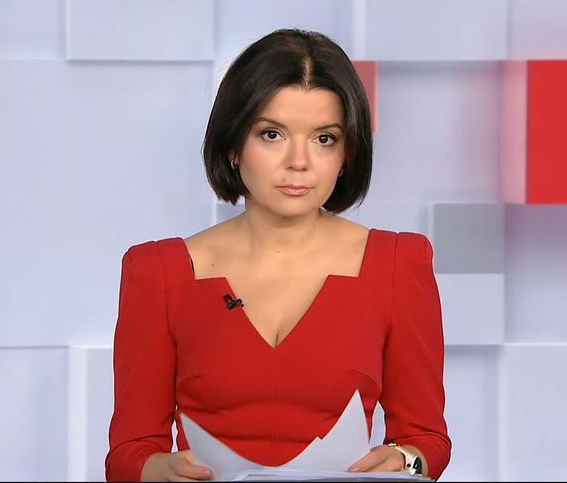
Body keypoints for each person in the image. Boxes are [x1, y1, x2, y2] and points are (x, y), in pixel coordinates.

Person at [105, 28, 450, 482]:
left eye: (324, 138)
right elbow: (128, 453)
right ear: (233, 144)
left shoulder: (398, 265)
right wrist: (158, 469)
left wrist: (405, 460)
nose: (299, 162)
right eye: (272, 134)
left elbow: (427, 439)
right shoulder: (158, 273)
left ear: (347, 153)